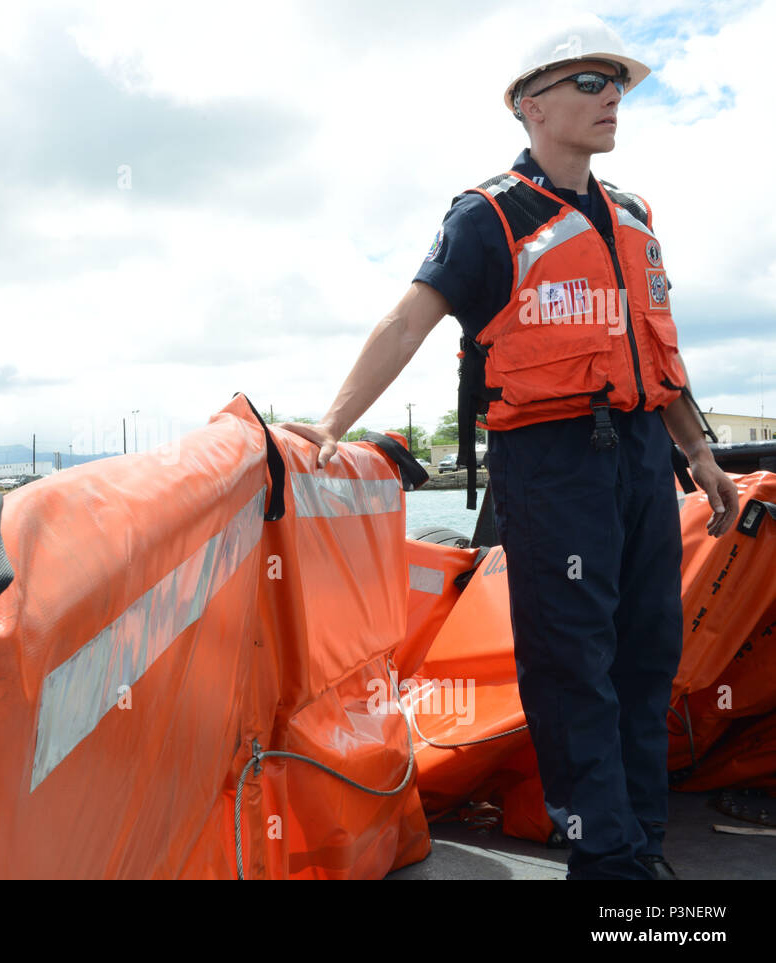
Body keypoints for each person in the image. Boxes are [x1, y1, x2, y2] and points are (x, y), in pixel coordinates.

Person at [283, 14, 741, 880]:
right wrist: (333, 422)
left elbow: (657, 352)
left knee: (649, 657)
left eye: (618, 84)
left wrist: (701, 455)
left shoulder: (635, 217)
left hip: (644, 459)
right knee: (574, 666)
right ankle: (603, 862)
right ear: (531, 106)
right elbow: (408, 319)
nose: (613, 98)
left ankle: (640, 850)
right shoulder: (486, 217)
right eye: (590, 82)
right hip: (553, 466)